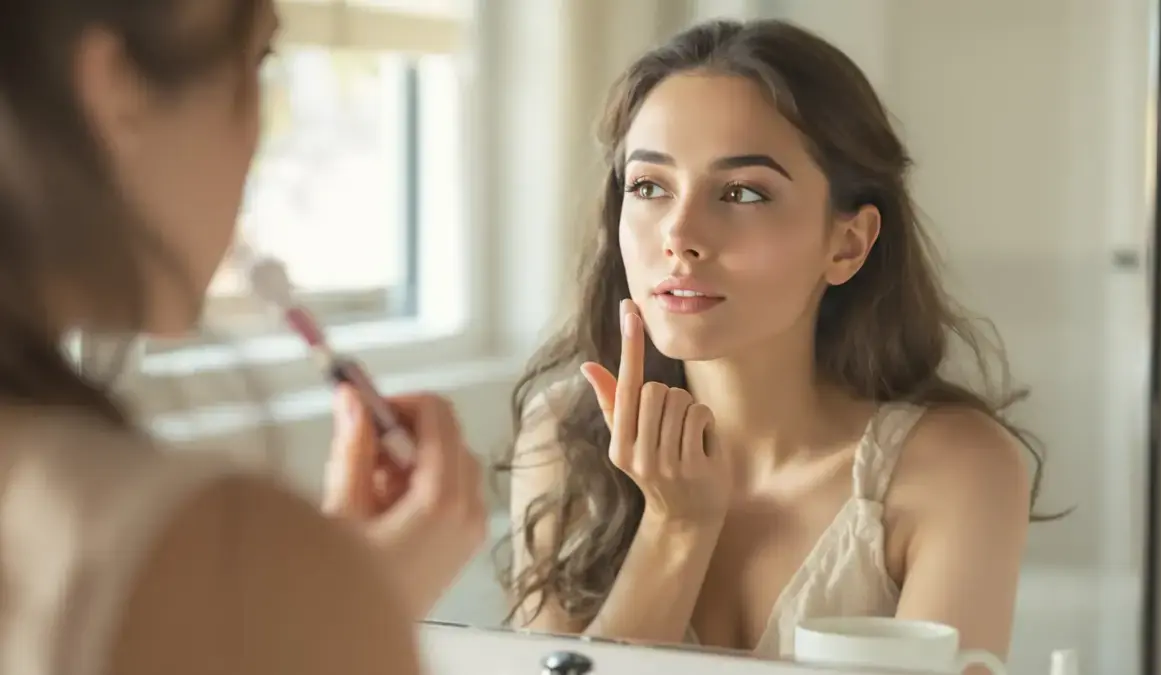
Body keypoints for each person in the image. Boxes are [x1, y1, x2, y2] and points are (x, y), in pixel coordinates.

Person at [500, 18, 1042, 664]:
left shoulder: (950, 471)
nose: (680, 233)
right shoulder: (564, 437)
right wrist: (675, 529)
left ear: (847, 243)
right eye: (649, 186)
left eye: (742, 192)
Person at [0, 1, 486, 674]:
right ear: (118, 90)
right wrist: (341, 609)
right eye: (258, 62)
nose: (264, 132)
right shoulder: (193, 554)